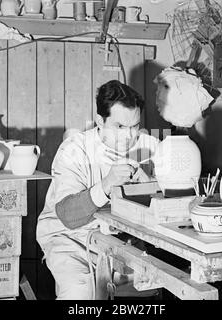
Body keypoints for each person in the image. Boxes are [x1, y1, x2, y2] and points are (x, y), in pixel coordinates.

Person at [36, 80, 159, 300]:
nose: (130, 136)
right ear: (100, 121)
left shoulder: (148, 146)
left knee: (151, 287)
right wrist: (106, 184)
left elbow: (164, 204)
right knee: (81, 294)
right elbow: (68, 216)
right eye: (120, 127)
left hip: (119, 239)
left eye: (135, 126)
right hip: (70, 239)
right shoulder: (75, 150)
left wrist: (150, 187)